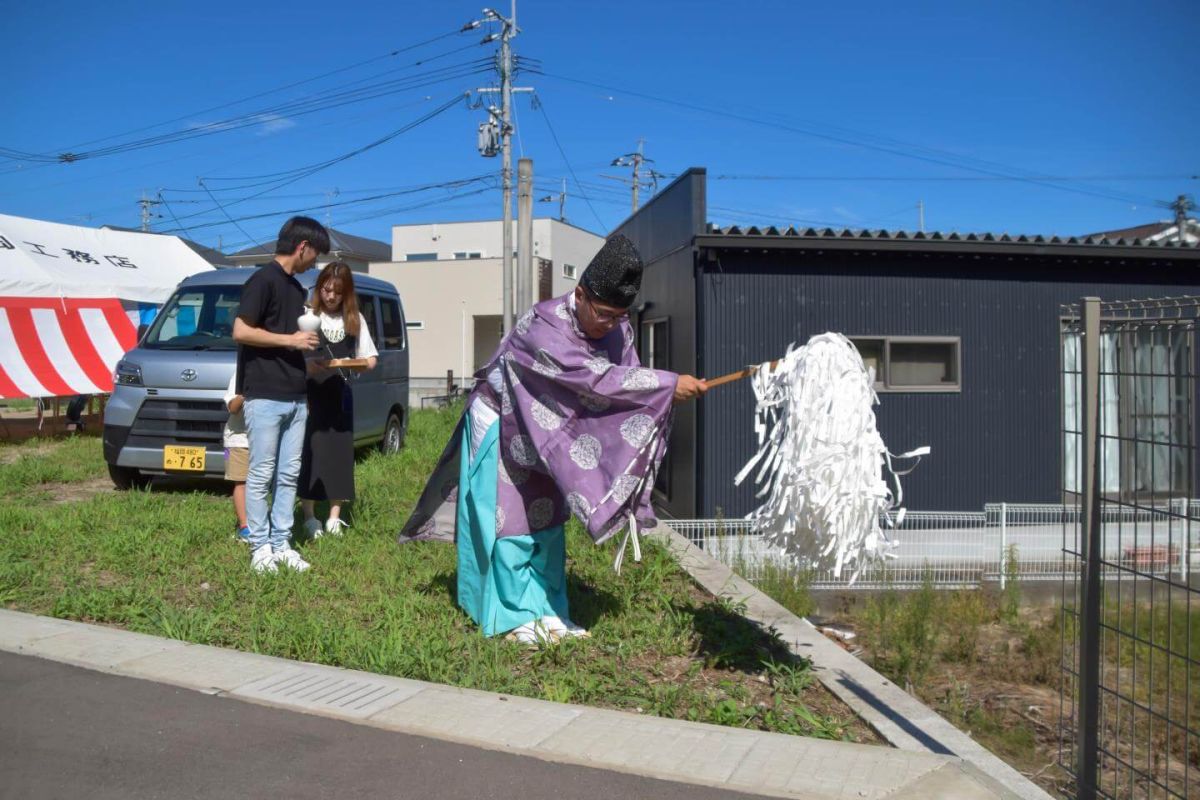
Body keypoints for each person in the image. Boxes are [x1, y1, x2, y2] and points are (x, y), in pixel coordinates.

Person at [399, 234, 706, 643]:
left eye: (619, 315)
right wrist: (666, 385)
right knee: (508, 518)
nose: (611, 324)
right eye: (604, 313)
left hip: (556, 431)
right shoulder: (542, 327)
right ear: (579, 294)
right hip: (503, 420)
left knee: (546, 517)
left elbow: (626, 385)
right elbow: (592, 377)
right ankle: (510, 616)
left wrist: (660, 393)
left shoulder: (618, 330)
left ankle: (547, 610)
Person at [233, 216, 329, 573]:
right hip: (264, 394)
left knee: (289, 474)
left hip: (295, 394)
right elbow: (241, 330)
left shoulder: (294, 289)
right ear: (302, 247)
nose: (315, 264)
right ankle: (260, 547)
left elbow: (290, 339)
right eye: (315, 255)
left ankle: (281, 542)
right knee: (261, 472)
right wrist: (291, 340)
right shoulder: (262, 280)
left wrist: (307, 355)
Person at [298, 262, 378, 538]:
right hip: (311, 396)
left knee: (340, 455)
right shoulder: (307, 316)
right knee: (311, 453)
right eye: (326, 289)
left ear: (346, 294)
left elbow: (370, 359)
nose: (331, 296)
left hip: (341, 394)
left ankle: (334, 517)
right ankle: (308, 516)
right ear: (319, 288)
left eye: (337, 292)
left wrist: (358, 364)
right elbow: (295, 355)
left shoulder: (355, 319)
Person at [223, 372, 251, 544]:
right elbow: (232, 408)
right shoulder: (238, 374)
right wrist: (246, 393)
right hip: (239, 438)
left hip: (265, 438)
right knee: (241, 482)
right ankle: (245, 527)